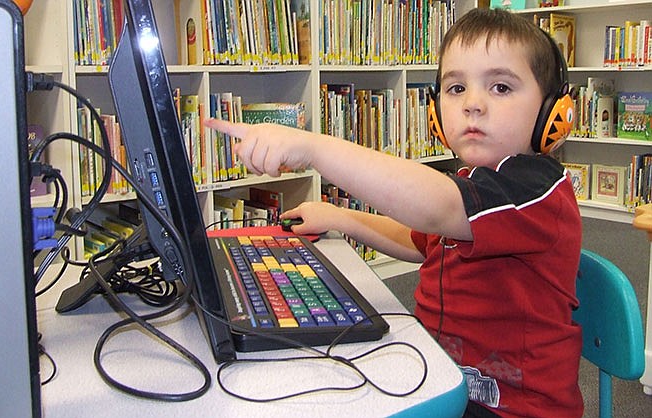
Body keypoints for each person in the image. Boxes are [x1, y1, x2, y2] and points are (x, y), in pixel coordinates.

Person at [205, 8, 583, 418]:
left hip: (508, 406)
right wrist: (339, 217)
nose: (473, 104)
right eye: (456, 88)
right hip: (443, 371)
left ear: (553, 112)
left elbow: (435, 209)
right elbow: (420, 239)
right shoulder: (476, 183)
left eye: (501, 87)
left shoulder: (535, 189)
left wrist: (312, 147)